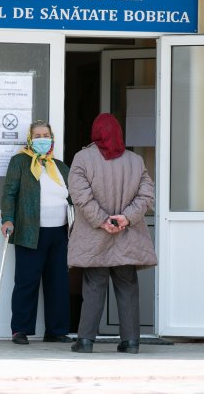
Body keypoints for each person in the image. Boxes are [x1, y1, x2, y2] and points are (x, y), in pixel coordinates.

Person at [67, 113, 157, 354]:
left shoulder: (82, 159)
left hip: (94, 236)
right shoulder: (135, 161)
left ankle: (85, 340)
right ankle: (131, 342)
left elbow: (80, 195)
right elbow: (147, 195)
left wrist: (102, 220)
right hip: (127, 235)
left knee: (94, 286)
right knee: (127, 286)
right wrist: (126, 217)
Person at [0, 120, 72, 345]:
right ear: (30, 139)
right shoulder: (20, 162)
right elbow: (9, 193)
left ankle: (56, 330)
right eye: (38, 135)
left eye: (46, 135)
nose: (43, 139)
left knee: (58, 282)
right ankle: (20, 329)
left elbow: (72, 196)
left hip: (59, 232)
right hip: (31, 231)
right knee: (27, 281)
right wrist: (7, 219)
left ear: (52, 138)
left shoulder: (60, 166)